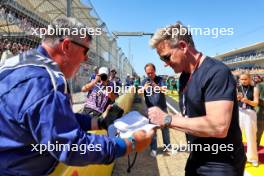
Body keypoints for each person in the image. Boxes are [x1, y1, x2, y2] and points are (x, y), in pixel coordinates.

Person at [0, 17, 153, 176]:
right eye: (85, 51)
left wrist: (99, 122)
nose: (86, 58)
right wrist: (129, 144)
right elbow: (72, 147)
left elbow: (54, 118)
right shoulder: (45, 80)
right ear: (66, 45)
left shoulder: (20, 63)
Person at [147, 22, 246, 175]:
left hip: (221, 163)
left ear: (183, 46)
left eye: (166, 57)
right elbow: (191, 117)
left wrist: (167, 119)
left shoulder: (216, 72)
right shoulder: (184, 77)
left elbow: (219, 126)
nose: (165, 64)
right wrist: (164, 122)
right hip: (197, 157)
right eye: (162, 60)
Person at [139, 63, 170, 157]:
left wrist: (157, 86)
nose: (150, 75)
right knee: (152, 130)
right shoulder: (144, 81)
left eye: (151, 73)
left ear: (154, 71)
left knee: (165, 129)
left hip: (162, 108)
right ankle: (153, 149)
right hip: (151, 110)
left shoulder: (160, 79)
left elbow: (166, 91)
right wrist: (144, 88)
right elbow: (138, 93)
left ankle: (167, 147)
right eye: (148, 73)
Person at [237, 73, 259, 166]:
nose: (243, 81)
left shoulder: (255, 88)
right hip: (239, 112)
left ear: (249, 79)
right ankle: (238, 157)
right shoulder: (237, 88)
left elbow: (256, 103)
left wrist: (247, 101)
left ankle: (253, 158)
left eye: (245, 79)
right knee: (237, 136)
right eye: (241, 79)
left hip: (250, 113)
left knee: (251, 136)